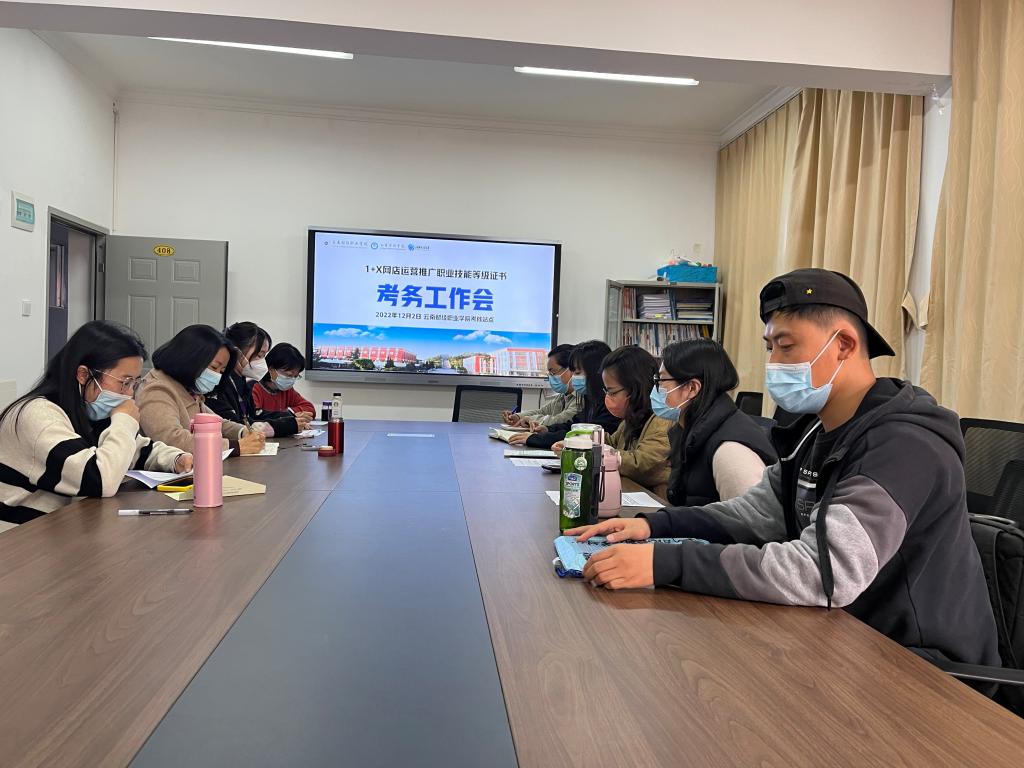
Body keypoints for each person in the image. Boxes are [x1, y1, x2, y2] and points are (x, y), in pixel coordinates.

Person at [569, 268, 999, 668]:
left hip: (919, 666)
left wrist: (667, 562)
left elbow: (823, 572)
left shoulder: (904, 444)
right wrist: (653, 526)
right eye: (769, 347)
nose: (774, 361)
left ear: (844, 345)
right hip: (838, 634)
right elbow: (754, 513)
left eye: (787, 346)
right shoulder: (813, 432)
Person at [0, 321, 191, 533]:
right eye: (124, 382)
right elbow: (101, 480)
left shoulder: (86, 409)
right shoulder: (38, 415)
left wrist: (176, 459)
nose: (129, 394)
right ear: (83, 375)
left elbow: (138, 450)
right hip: (19, 538)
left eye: (134, 383)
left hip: (62, 527)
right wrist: (124, 421)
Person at [656, 340, 776, 505]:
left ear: (692, 388)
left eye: (661, 380)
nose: (656, 388)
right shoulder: (689, 429)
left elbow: (750, 518)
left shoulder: (731, 452)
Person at [137, 325, 266, 456]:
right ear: (189, 357)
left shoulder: (187, 388)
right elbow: (173, 439)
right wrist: (236, 447)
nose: (217, 376)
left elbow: (215, 422)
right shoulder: (156, 390)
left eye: (221, 371)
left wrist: (242, 431)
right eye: (214, 367)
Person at [514, 340, 620, 449]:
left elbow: (586, 436)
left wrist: (536, 438)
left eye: (577, 373)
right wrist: (547, 429)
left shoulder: (611, 403)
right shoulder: (590, 398)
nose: (573, 377)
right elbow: (573, 426)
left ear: (595, 372)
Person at [206, 322, 302, 437]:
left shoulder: (240, 382)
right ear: (237, 353)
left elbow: (254, 416)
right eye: (260, 355)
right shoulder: (219, 382)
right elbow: (235, 425)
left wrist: (289, 417)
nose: (262, 362)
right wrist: (286, 425)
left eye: (264, 356)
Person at [599, 346, 671, 496]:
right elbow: (612, 443)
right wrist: (582, 438)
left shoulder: (662, 418)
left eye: (612, 392)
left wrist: (595, 452)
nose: (608, 397)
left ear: (635, 388)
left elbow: (642, 463)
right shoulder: (632, 417)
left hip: (654, 500)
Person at [501, 344, 580, 428]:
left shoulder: (581, 397)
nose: (550, 377)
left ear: (571, 369)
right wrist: (518, 416)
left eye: (553, 372)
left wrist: (530, 420)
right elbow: (542, 411)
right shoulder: (563, 396)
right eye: (549, 374)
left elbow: (562, 419)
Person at [252, 343, 315, 426]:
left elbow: (310, 408)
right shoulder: (254, 388)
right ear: (271, 370)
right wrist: (288, 416)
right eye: (289, 375)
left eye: (295, 376)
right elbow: (256, 418)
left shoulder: (287, 390)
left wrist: (292, 413)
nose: (292, 380)